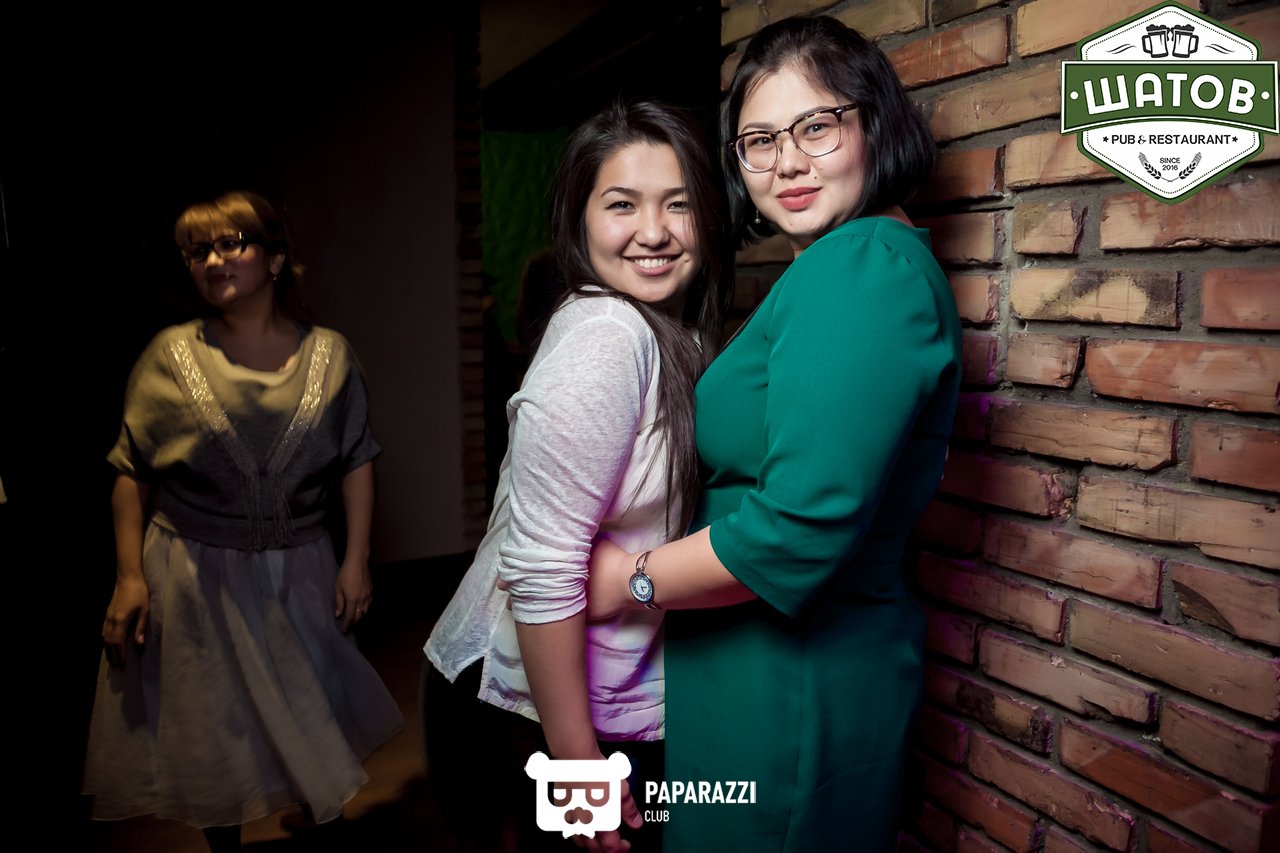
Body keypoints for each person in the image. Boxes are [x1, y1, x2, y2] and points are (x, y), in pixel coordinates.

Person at [584, 16, 961, 852]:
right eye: (760, 140)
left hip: (791, 682)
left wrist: (629, 581)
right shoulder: (842, 264)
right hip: (754, 669)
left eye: (816, 126)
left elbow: (795, 529)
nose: (787, 161)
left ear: (875, 125)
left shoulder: (863, 267)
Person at [423, 100, 729, 852]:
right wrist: (576, 763)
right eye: (621, 204)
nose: (653, 231)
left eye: (679, 204)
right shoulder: (608, 335)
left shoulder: (669, 328)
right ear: (579, 219)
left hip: (585, 703)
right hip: (530, 714)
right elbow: (543, 566)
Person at [82, 191, 403, 851]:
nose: (213, 260)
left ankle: (325, 828)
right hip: (195, 572)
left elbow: (357, 459)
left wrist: (356, 560)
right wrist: (129, 577)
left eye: (231, 243)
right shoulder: (172, 355)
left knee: (311, 707)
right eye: (197, 251)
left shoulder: (330, 356)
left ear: (275, 258)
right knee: (214, 727)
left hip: (299, 568)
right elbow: (131, 470)